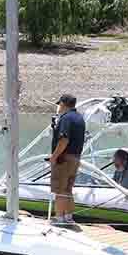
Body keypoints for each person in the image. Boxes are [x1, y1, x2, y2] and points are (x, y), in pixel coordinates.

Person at [49, 93, 85, 230]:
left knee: (59, 189)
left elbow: (64, 139)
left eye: (59, 104)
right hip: (75, 158)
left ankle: (59, 218)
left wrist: (54, 156)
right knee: (68, 189)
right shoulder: (79, 118)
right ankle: (68, 218)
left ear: (63, 104)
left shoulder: (66, 118)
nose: (58, 107)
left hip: (64, 159)